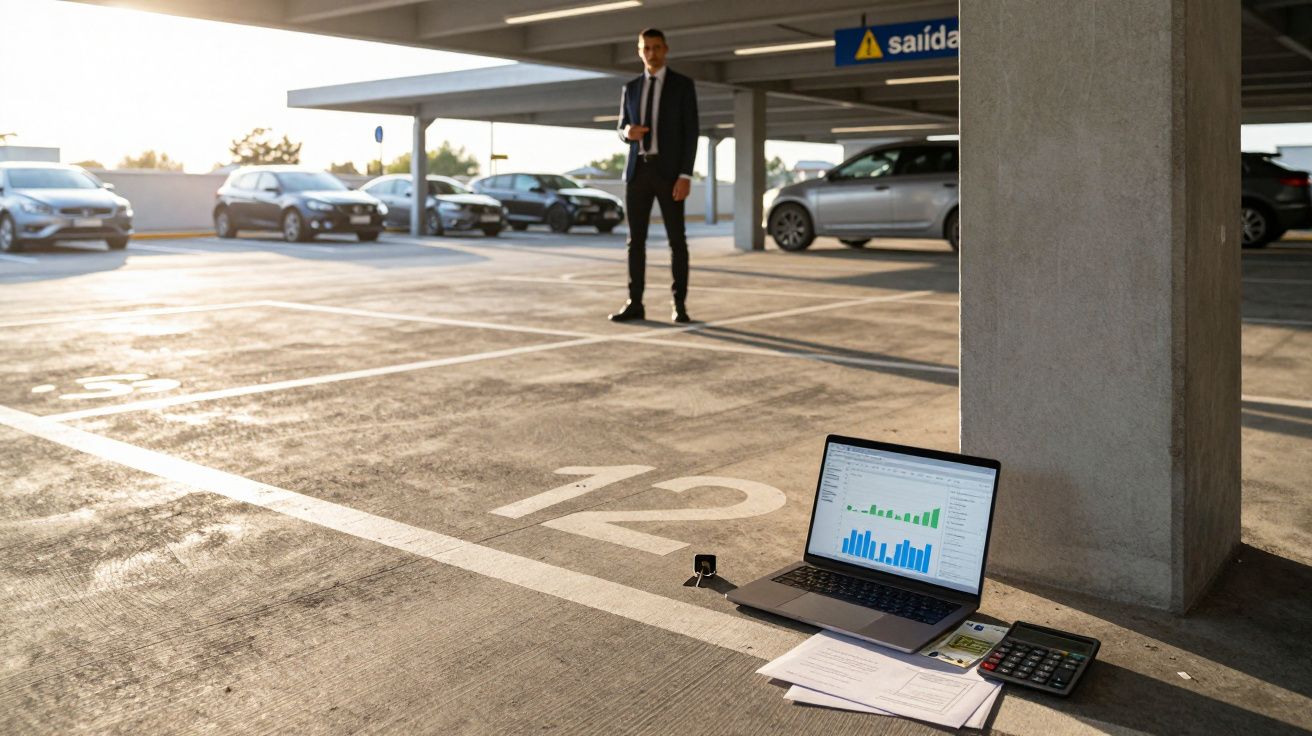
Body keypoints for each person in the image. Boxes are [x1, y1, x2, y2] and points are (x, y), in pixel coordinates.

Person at [608, 28, 700, 323]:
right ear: (640, 51)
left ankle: (680, 305)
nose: (651, 53)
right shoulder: (631, 88)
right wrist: (627, 133)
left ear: (666, 49)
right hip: (638, 171)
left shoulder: (682, 86)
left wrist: (685, 174)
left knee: (677, 240)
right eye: (646, 48)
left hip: (670, 172)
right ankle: (635, 302)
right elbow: (621, 126)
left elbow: (691, 133)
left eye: (656, 47)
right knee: (636, 241)